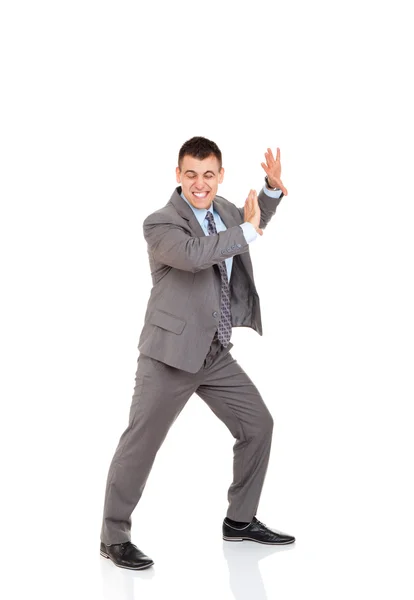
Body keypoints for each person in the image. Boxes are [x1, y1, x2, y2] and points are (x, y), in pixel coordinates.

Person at [100, 136, 295, 570]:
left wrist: (271, 191)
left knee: (258, 425)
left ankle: (240, 522)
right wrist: (248, 230)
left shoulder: (225, 210)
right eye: (191, 174)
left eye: (209, 175)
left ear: (220, 175)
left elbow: (252, 220)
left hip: (214, 353)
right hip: (168, 356)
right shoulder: (160, 224)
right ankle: (113, 534)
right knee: (141, 444)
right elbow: (197, 254)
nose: (200, 183)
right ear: (178, 176)